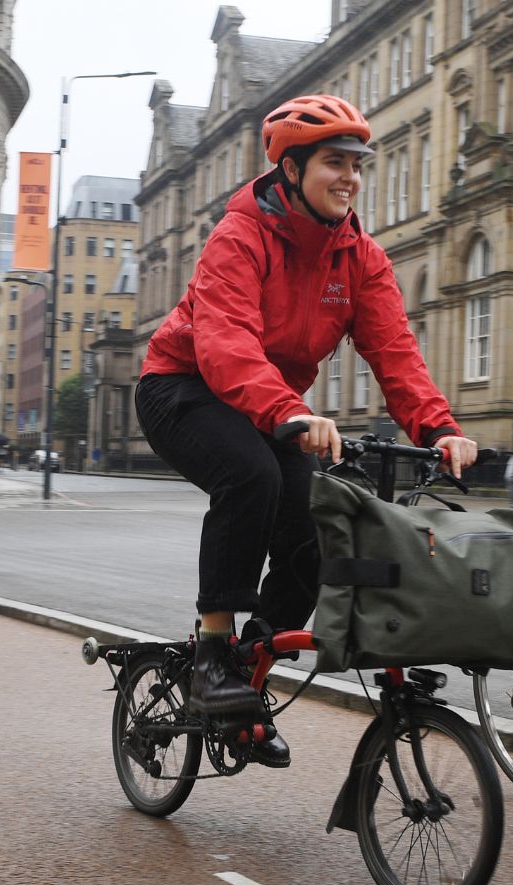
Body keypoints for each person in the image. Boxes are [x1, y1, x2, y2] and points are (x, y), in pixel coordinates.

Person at [137, 94, 477, 767]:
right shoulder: (239, 236)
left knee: (317, 528)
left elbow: (395, 353)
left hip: (270, 405)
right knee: (251, 476)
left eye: (357, 164)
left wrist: (439, 428)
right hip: (183, 386)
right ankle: (211, 654)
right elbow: (226, 342)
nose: (350, 177)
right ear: (291, 170)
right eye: (334, 163)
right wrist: (288, 412)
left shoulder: (360, 257)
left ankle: (247, 674)